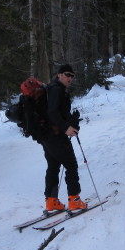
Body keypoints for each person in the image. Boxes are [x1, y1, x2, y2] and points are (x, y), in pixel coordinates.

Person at [41, 64, 87, 212]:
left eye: (72, 76)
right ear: (59, 74)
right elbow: (52, 113)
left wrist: (70, 121)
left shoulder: (51, 88)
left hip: (47, 137)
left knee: (53, 167)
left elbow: (56, 113)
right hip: (55, 137)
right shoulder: (56, 89)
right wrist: (66, 128)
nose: (70, 78)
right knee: (71, 165)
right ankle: (74, 200)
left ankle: (51, 202)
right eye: (67, 75)